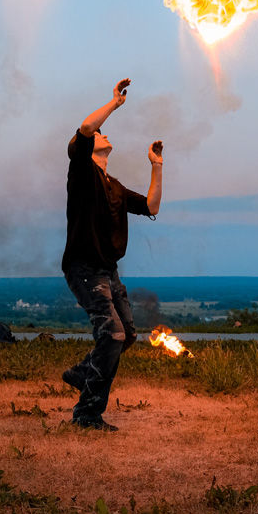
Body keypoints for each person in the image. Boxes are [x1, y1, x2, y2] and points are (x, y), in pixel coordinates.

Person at [60, 78, 163, 431]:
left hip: (108, 270)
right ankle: (87, 413)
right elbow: (87, 126)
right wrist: (114, 103)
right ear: (87, 147)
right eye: (98, 135)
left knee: (128, 335)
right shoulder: (82, 172)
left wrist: (156, 165)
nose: (102, 134)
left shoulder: (115, 186)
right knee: (113, 335)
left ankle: (85, 371)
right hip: (83, 268)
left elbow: (151, 205)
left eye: (104, 132)